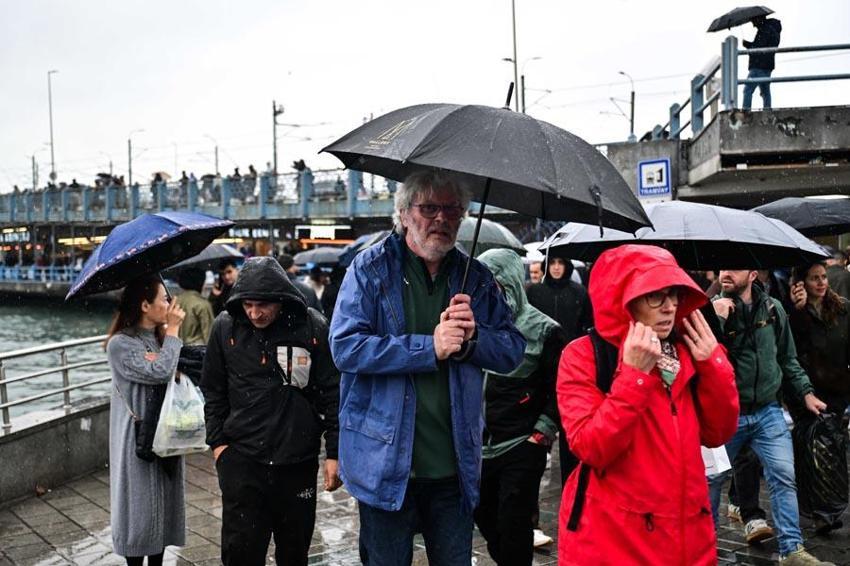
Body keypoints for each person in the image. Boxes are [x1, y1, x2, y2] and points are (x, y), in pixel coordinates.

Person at [329, 169, 525, 565]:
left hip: (454, 467)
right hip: (383, 464)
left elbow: (512, 350)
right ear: (403, 213)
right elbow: (346, 347)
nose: (441, 219)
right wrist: (427, 348)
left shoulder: (477, 278)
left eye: (452, 210)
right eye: (429, 208)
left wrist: (474, 340)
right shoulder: (369, 270)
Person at [555, 244, 738, 565]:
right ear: (624, 300)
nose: (669, 307)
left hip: (689, 541)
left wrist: (714, 364)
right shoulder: (583, 355)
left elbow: (718, 431)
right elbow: (591, 447)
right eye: (656, 296)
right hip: (616, 543)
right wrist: (634, 376)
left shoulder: (685, 349)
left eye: (674, 295)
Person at [201, 256, 341, 566]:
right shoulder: (225, 327)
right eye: (248, 305)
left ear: (281, 299)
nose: (254, 313)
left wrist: (334, 452)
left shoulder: (312, 326)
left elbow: (333, 391)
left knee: (294, 552)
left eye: (262, 305)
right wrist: (219, 445)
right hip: (242, 461)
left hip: (298, 461)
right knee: (241, 553)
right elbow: (212, 388)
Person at [709, 269, 834, 565]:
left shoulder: (773, 309)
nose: (726, 273)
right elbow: (702, 361)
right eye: (723, 268)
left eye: (735, 268)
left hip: (768, 412)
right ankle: (706, 551)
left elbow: (786, 358)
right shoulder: (709, 309)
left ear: (752, 275)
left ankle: (792, 550)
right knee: (710, 481)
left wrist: (805, 392)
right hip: (726, 414)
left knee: (783, 477)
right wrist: (717, 321)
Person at [475, 249, 568, 565]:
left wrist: (541, 434)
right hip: (478, 449)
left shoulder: (545, 330)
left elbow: (561, 389)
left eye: (495, 283)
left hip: (520, 445)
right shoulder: (474, 325)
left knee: (514, 526)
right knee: (487, 519)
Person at [106, 275, 186, 566]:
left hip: (166, 434)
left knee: (163, 508)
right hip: (136, 438)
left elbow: (174, 373)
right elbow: (159, 371)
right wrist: (174, 330)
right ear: (144, 305)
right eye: (164, 298)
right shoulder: (120, 344)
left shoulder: (160, 338)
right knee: (139, 511)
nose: (169, 303)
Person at [789, 262, 850, 534]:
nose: (821, 283)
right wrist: (798, 312)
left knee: (833, 448)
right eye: (814, 278)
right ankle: (819, 510)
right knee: (811, 450)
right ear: (802, 282)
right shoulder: (794, 311)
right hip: (807, 391)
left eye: (823, 277)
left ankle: (831, 506)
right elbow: (793, 348)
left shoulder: (841, 308)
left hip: (837, 388)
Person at [526, 249, 593, 484]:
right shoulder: (534, 291)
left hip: (571, 364)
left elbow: (587, 325)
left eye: (560, 263)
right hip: (540, 366)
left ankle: (570, 483)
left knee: (569, 427)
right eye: (552, 262)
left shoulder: (578, 293)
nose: (556, 267)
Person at [742, 15, 782, 110]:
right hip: (768, 65)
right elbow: (762, 46)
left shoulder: (764, 30)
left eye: (753, 21)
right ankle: (767, 111)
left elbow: (758, 48)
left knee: (748, 89)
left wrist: (747, 45)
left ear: (759, 19)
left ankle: (745, 112)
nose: (753, 25)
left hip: (758, 64)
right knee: (765, 91)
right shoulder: (772, 29)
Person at [175, 267, 214, 346]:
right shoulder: (202, 304)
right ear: (201, 283)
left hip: (178, 350)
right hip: (197, 351)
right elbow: (210, 336)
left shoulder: (174, 301)